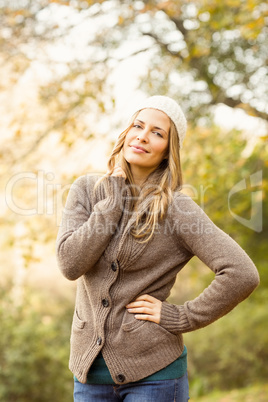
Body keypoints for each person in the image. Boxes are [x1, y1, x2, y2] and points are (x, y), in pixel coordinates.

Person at [56, 95, 260, 402]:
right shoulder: (88, 191)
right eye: (138, 125)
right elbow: (70, 264)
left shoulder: (177, 208)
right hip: (88, 377)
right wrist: (111, 205)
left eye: (157, 132)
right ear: (125, 132)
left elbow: (242, 273)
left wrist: (181, 317)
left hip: (155, 377)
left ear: (169, 151)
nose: (142, 136)